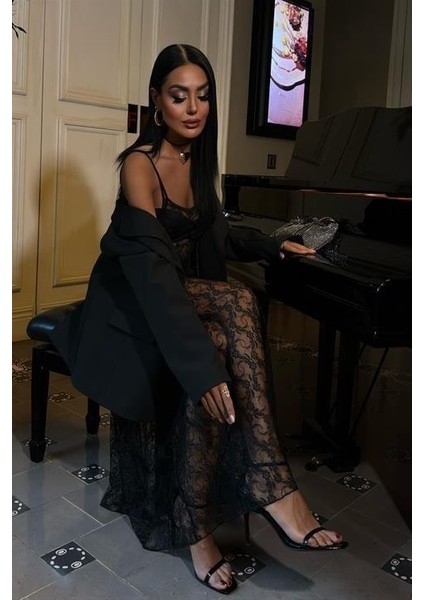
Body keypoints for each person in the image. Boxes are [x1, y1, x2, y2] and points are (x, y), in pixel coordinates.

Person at [51, 43, 347, 595]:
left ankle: (199, 526)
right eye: (178, 95)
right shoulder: (139, 165)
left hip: (176, 292)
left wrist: (274, 245)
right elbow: (152, 275)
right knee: (236, 306)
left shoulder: (195, 159)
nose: (193, 108)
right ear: (156, 101)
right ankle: (273, 483)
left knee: (225, 323)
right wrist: (202, 369)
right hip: (132, 300)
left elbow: (215, 232)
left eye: (203, 96)